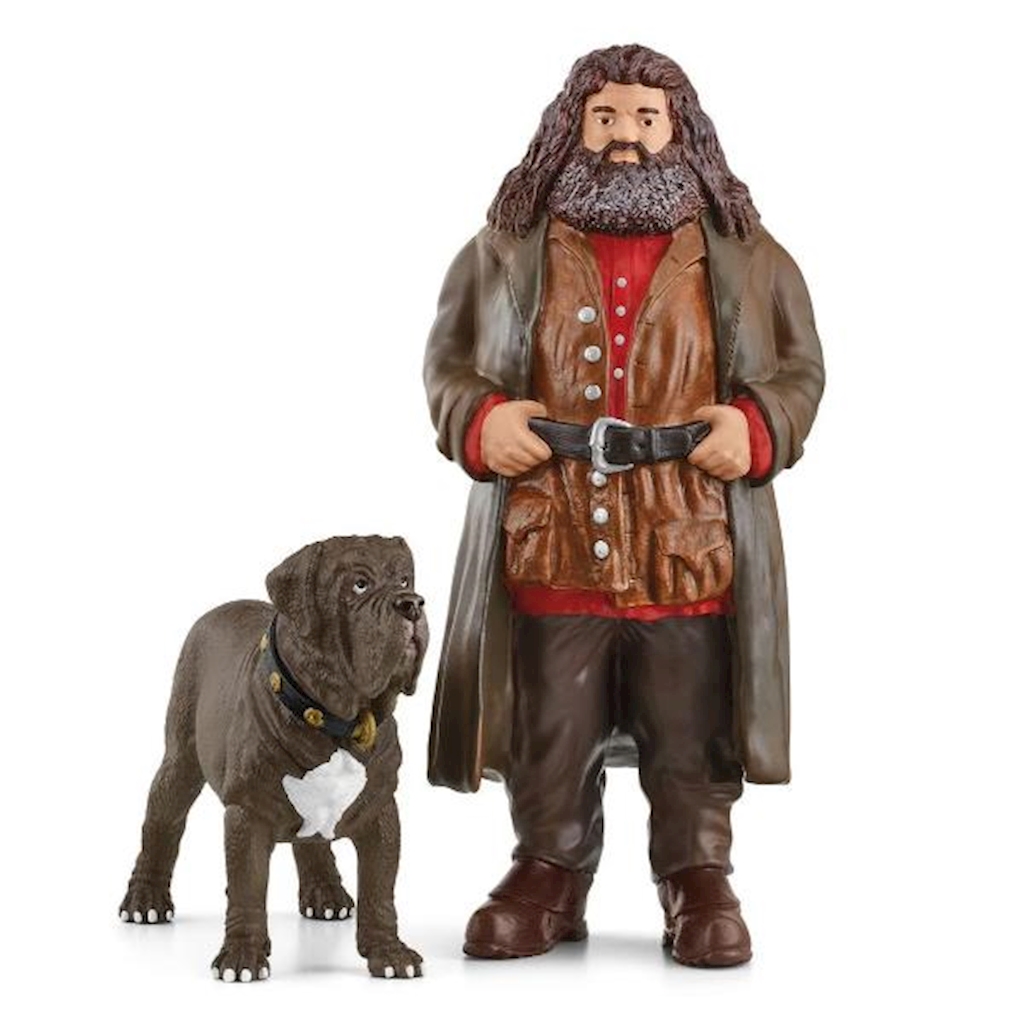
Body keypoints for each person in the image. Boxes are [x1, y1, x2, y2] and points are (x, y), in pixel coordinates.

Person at [423, 43, 824, 967]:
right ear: (572, 126)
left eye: (646, 118)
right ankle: (549, 869)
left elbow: (802, 370)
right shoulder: (505, 249)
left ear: (682, 129)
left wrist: (757, 425)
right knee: (549, 724)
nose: (625, 137)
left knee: (691, 727)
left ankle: (696, 874)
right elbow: (447, 363)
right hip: (551, 529)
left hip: (689, 538)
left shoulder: (746, 256)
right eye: (605, 117)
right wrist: (480, 418)